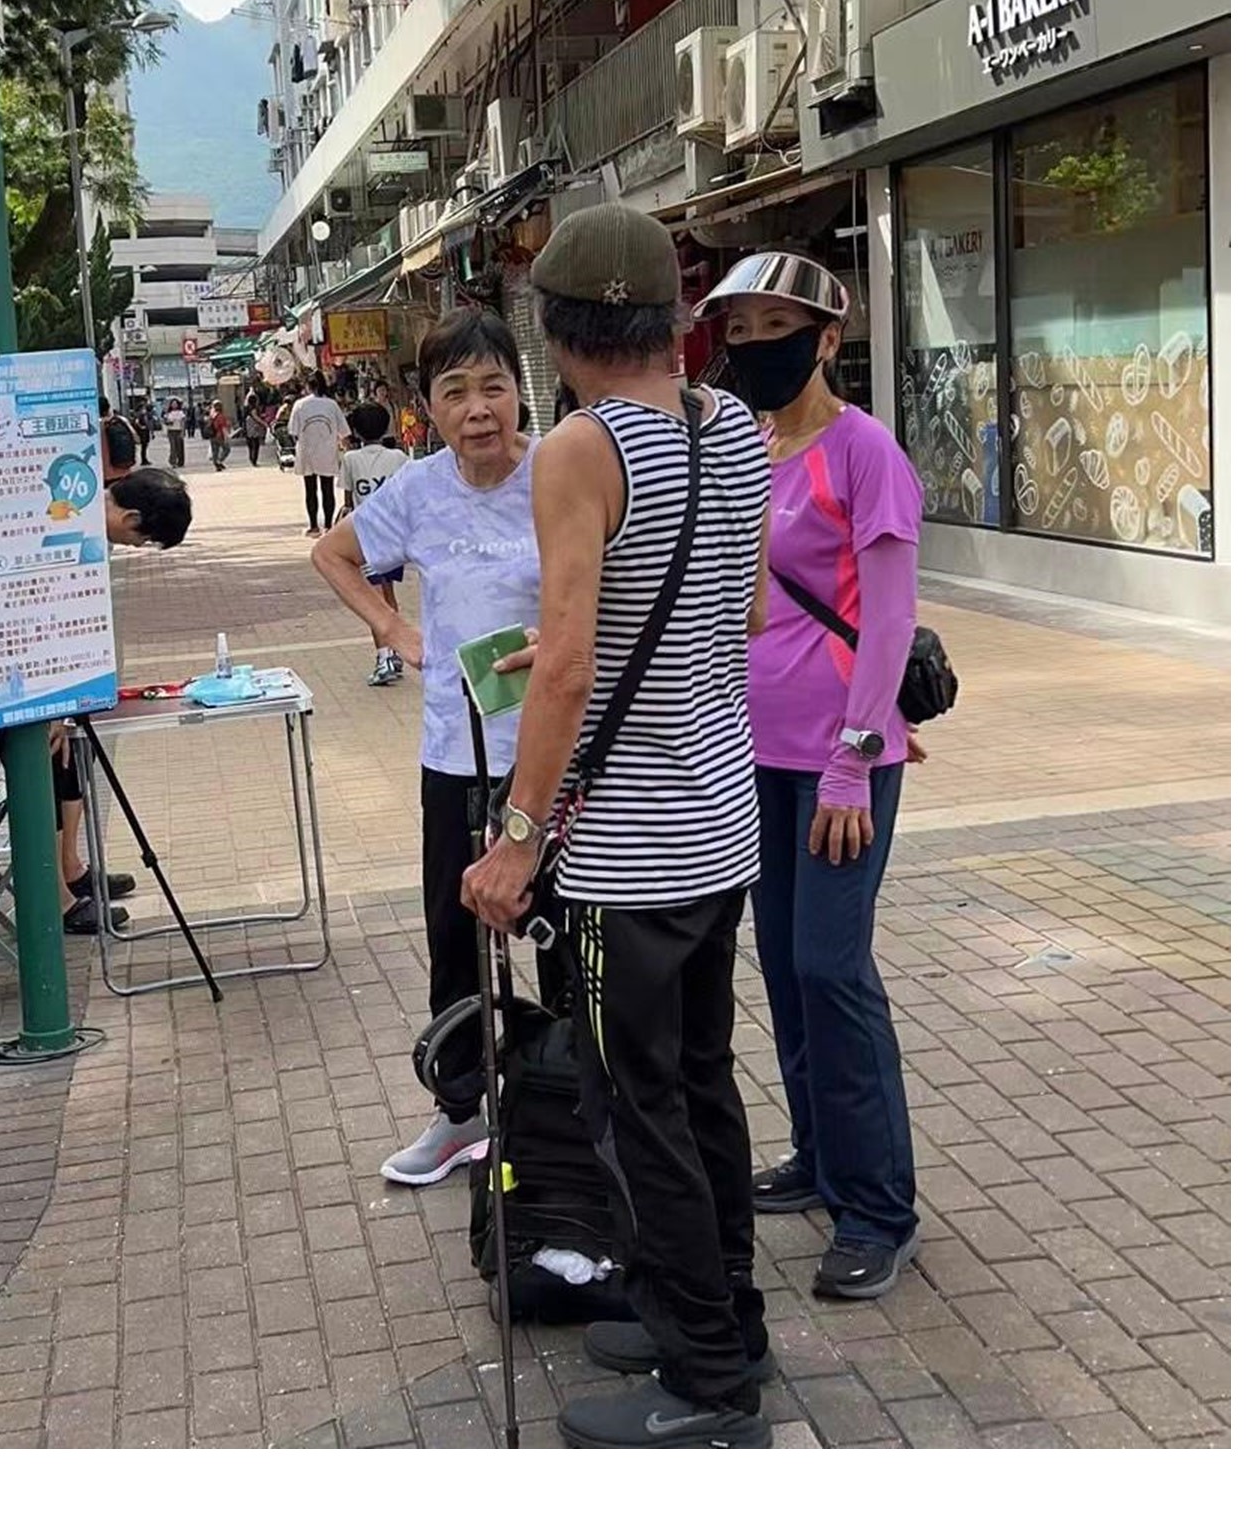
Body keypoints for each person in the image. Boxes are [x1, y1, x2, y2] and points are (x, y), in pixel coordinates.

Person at [462, 204, 774, 1450]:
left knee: (634, 1112)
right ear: (671, 315)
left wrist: (517, 836)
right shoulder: (731, 424)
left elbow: (570, 666)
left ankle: (708, 1381)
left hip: (624, 858)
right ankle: (723, 1319)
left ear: (555, 328)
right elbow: (743, 612)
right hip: (718, 823)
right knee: (699, 1081)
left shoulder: (579, 449)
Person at [693, 251, 925, 1303]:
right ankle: (819, 1156)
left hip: (838, 766)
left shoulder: (864, 451)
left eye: (775, 327)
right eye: (737, 330)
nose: (753, 347)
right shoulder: (740, 447)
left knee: (833, 970)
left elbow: (889, 616)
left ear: (827, 339)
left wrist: (854, 757)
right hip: (752, 756)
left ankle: (876, 1207)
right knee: (785, 968)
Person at [312, 310, 541, 1184]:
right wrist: (391, 628)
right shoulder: (417, 488)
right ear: (428, 406)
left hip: (554, 752)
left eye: (493, 387)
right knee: (455, 934)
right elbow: (333, 554)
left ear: (518, 391)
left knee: (563, 935)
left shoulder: (558, 473)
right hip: (457, 750)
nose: (478, 409)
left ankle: (564, 1111)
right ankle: (459, 1112)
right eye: (455, 391)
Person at [50, 467, 195, 934]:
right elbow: (49, 616)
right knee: (50, 775)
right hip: (38, 684)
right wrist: (54, 704)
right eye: (144, 538)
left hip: (71, 682)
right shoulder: (69, 528)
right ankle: (55, 897)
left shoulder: (92, 526)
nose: (139, 546)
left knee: (73, 770)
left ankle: (72, 868)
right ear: (130, 517)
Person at [338, 402, 411, 687]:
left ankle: (384, 658)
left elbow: (348, 500)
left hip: (367, 536)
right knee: (388, 595)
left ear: (356, 430)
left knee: (374, 600)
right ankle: (395, 650)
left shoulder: (351, 459)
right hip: (394, 535)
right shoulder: (399, 457)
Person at [291, 372, 350, 536]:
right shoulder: (332, 405)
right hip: (327, 452)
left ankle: (313, 526)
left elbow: (293, 430)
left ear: (308, 386)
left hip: (307, 452)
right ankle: (329, 525)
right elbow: (344, 431)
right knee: (327, 489)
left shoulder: (299, 405)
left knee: (310, 490)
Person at [100, 397, 137, 484]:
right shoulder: (121, 420)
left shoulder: (94, 425)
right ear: (108, 408)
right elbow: (136, 438)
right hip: (124, 471)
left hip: (103, 474)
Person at [242, 400, 268, 467]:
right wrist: (264, 424)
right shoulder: (253, 409)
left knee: (250, 445)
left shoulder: (246, 409)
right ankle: (254, 460)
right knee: (255, 445)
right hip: (253, 430)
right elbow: (256, 417)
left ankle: (251, 459)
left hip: (247, 430)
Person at [207, 400, 231, 471]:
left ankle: (216, 465)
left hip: (212, 435)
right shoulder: (220, 416)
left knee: (215, 451)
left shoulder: (211, 416)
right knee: (226, 449)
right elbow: (223, 427)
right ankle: (219, 461)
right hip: (219, 436)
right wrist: (226, 437)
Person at [164, 398, 188, 469]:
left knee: (179, 447)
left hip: (178, 431)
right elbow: (165, 422)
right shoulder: (168, 413)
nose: (174, 405)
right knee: (173, 447)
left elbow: (183, 423)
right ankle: (173, 461)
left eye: (175, 404)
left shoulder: (181, 413)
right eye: (173, 404)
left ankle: (180, 461)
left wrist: (183, 432)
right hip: (171, 431)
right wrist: (168, 422)